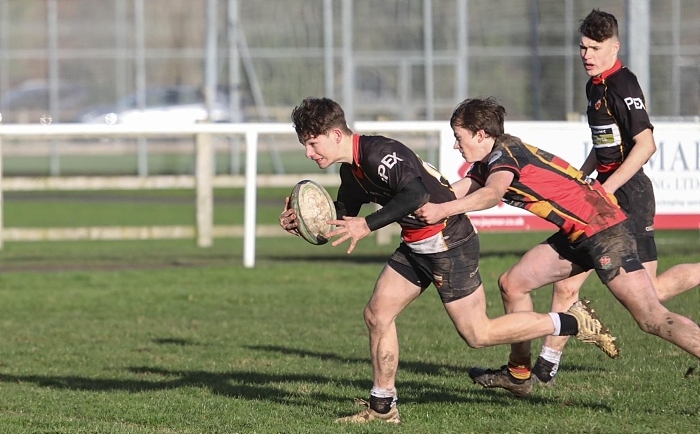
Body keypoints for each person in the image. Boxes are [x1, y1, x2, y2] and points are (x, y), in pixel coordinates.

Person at [279, 97, 617, 424]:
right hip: (415, 246)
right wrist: (306, 223)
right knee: (377, 314)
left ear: (336, 135)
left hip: (448, 242)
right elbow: (342, 219)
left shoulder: (380, 153)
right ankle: (383, 407)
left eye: (312, 144)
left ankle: (569, 321)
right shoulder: (352, 174)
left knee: (478, 334)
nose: (309, 153)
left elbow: (415, 195)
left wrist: (367, 225)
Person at [468, 9, 700, 396]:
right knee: (544, 286)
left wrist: (607, 188)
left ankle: (539, 368)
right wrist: (582, 178)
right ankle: (536, 370)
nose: (586, 55)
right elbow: (602, 145)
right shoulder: (595, 86)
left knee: (651, 303)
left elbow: (646, 145)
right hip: (594, 204)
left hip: (625, 202)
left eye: (595, 47)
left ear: (615, 47)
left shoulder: (623, 84)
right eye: (582, 47)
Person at [415, 96, 700, 398]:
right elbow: (449, 196)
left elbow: (491, 195)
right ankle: (519, 374)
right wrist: (405, 204)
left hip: (605, 231)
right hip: (579, 232)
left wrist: (441, 212)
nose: (456, 146)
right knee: (513, 284)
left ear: (481, 135)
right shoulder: (491, 160)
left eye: (459, 138)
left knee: (651, 317)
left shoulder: (504, 157)